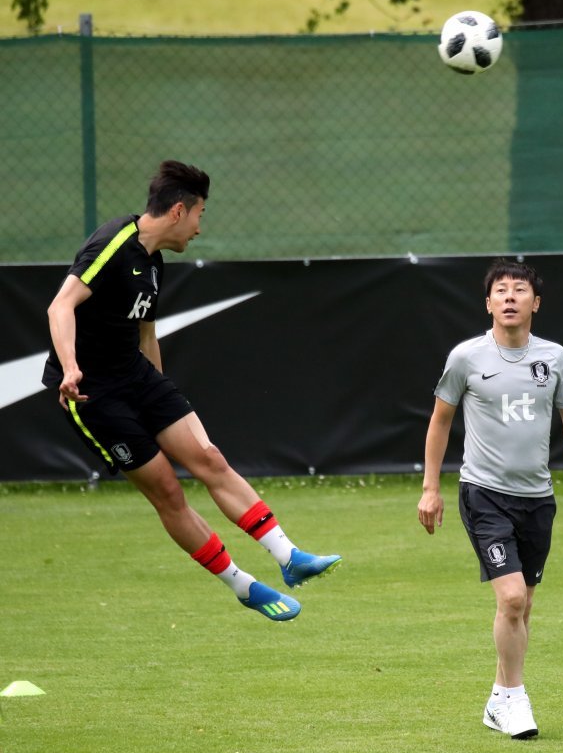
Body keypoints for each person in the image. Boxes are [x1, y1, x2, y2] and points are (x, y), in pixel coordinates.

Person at [42, 160, 341, 621]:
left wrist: (161, 390)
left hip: (137, 377)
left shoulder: (154, 262)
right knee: (167, 491)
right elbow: (60, 306)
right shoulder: (113, 243)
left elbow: (145, 334)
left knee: (210, 458)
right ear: (180, 211)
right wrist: (70, 368)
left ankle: (290, 557)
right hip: (93, 394)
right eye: (201, 214)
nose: (201, 228)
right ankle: (244, 586)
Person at [417, 258, 563, 739]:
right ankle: (516, 700)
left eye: (519, 290)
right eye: (500, 290)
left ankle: (498, 699)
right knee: (513, 597)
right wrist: (431, 488)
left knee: (522, 608)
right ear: (488, 303)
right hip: (484, 495)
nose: (509, 297)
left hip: (537, 498)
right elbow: (440, 421)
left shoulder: (554, 358)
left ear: (535, 303)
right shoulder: (466, 358)